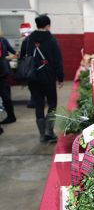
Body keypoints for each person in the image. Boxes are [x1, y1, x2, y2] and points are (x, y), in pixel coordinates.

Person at [20, 14, 64, 143]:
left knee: (38, 104)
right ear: (48, 25)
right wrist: (60, 78)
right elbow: (58, 61)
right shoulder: (51, 40)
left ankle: (42, 135)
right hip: (48, 77)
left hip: (32, 78)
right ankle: (49, 132)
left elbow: (23, 57)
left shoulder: (27, 40)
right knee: (52, 103)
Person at [0, 33, 17, 124]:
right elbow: (14, 52)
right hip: (4, 71)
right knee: (6, 95)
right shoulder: (3, 40)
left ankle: (11, 116)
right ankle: (11, 116)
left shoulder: (2, 40)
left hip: (2, 72)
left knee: (5, 96)